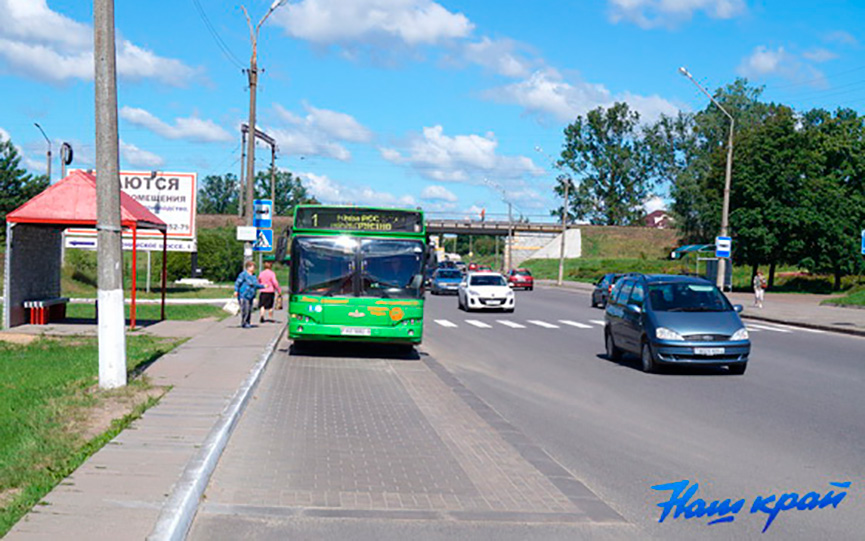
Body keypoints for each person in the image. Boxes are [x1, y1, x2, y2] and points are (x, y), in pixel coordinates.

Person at [234, 260, 264, 328]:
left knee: (250, 309)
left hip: (251, 294)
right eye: (253, 267)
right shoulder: (243, 275)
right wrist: (236, 290)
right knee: (245, 309)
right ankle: (244, 322)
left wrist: (263, 286)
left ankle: (247, 322)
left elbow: (255, 285)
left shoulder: (253, 276)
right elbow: (237, 283)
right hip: (244, 294)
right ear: (248, 267)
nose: (254, 269)